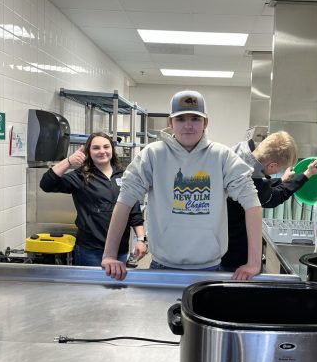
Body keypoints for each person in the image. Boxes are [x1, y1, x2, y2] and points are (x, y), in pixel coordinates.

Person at [101, 90, 263, 281]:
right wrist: (109, 255)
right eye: (180, 119)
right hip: (162, 266)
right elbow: (125, 200)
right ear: (170, 123)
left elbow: (252, 203)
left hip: (210, 268)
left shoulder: (222, 157)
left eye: (195, 118)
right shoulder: (152, 156)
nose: (188, 125)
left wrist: (254, 262)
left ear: (205, 122)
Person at [221, 131, 317, 271]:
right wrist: (307, 174)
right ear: (272, 166)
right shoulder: (250, 180)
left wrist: (282, 179)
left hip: (216, 242)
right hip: (232, 253)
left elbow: (261, 184)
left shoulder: (236, 157)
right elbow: (275, 196)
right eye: (279, 170)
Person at [40, 132, 147, 267]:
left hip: (120, 249)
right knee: (90, 288)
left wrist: (141, 239)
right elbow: (46, 184)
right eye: (96, 148)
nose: (102, 151)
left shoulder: (124, 175)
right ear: (88, 152)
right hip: (90, 251)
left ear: (112, 150)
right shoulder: (81, 176)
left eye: (106, 147)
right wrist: (68, 162)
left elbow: (134, 210)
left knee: (115, 287)